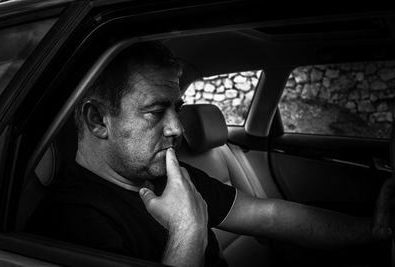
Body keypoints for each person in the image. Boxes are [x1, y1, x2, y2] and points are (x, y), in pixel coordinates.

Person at [26, 41, 394, 267]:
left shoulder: (169, 177)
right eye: (156, 111)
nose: (177, 128)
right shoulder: (71, 221)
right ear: (97, 120)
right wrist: (188, 229)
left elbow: (268, 214)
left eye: (177, 109)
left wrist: (373, 232)